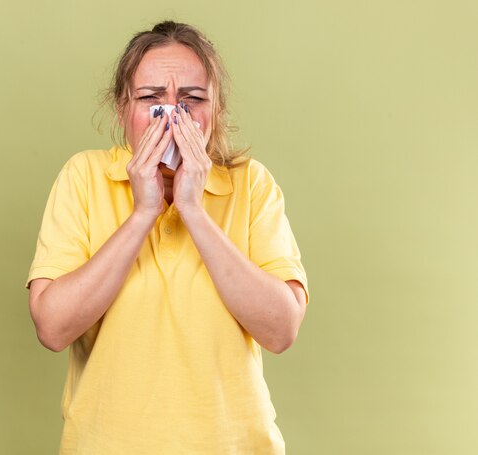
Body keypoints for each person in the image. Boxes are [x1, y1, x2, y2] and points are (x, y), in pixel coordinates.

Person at [26, 20, 309, 455]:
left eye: (192, 100)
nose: (172, 115)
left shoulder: (252, 185)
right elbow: (52, 327)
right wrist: (143, 213)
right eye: (151, 99)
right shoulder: (82, 177)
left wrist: (194, 210)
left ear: (214, 112)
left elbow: (281, 329)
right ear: (123, 110)